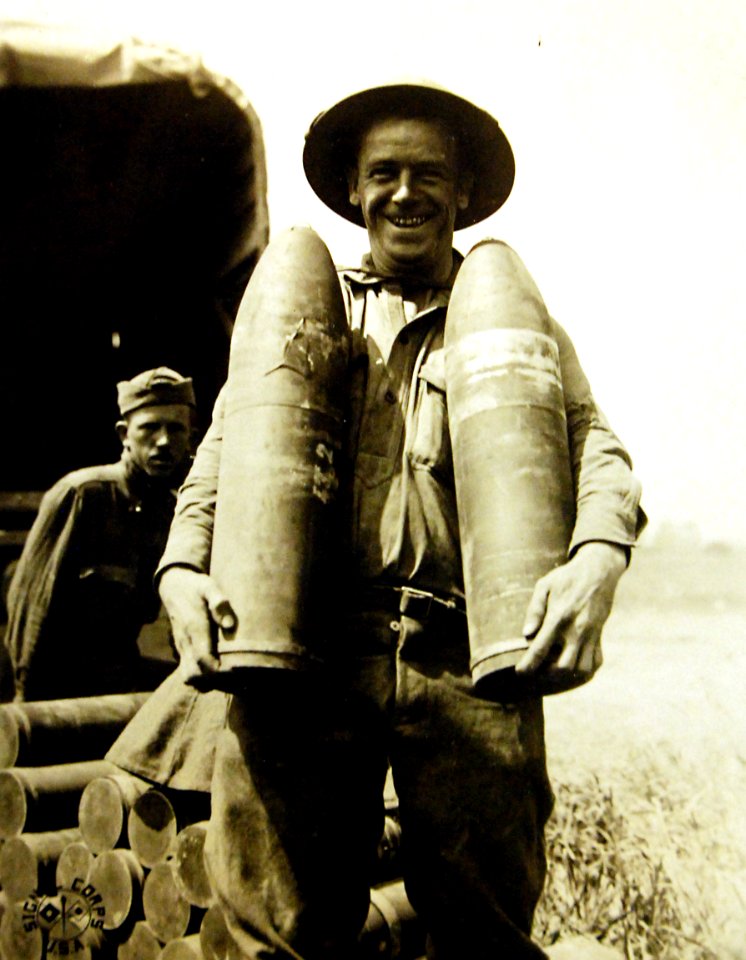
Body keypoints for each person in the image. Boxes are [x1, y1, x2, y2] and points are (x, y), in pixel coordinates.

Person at [109, 82, 645, 958]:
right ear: (353, 192)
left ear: (464, 192)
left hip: (464, 660)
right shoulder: (306, 306)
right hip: (306, 658)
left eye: (428, 173)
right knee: (277, 938)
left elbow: (594, 446)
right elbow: (224, 457)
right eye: (384, 173)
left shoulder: (510, 312)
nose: (406, 192)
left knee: (489, 934)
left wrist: (598, 554)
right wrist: (181, 570)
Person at [4, 366, 197, 701]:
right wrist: (28, 707)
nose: (164, 441)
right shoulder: (83, 495)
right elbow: (30, 611)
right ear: (124, 434)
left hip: (118, 680)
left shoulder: (170, 511)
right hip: (57, 686)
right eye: (150, 428)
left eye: (176, 429)